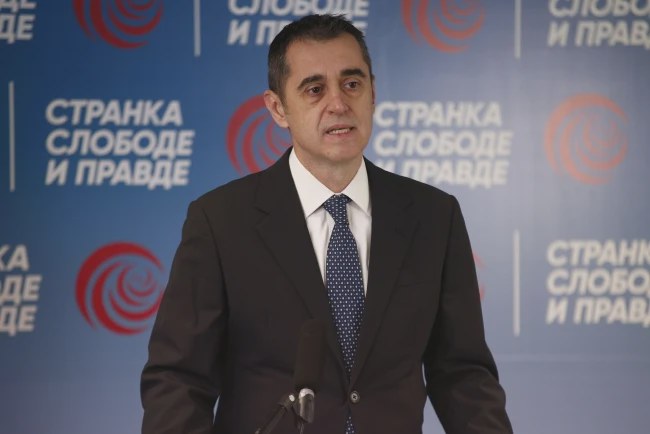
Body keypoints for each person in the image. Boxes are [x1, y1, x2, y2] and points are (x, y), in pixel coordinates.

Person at [141, 14, 512, 434]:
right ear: (278, 108)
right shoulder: (220, 221)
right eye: (314, 89)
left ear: (373, 93)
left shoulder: (434, 216)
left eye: (352, 84)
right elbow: (178, 380)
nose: (338, 103)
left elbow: (464, 377)